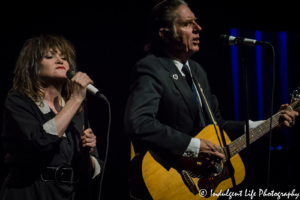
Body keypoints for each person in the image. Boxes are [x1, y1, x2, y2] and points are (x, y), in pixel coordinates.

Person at [124, 0, 298, 199]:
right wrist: (194, 148)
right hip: (170, 180)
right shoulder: (150, 67)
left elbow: (218, 126)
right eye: (187, 24)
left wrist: (268, 125)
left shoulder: (197, 71)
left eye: (196, 22)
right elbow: (138, 123)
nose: (198, 28)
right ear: (164, 34)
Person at [0, 35, 102, 200]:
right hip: (29, 192)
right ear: (32, 66)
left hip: (66, 194)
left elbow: (93, 168)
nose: (60, 61)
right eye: (50, 56)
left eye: (64, 58)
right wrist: (75, 99)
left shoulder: (75, 110)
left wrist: (86, 155)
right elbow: (40, 141)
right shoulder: (19, 100)